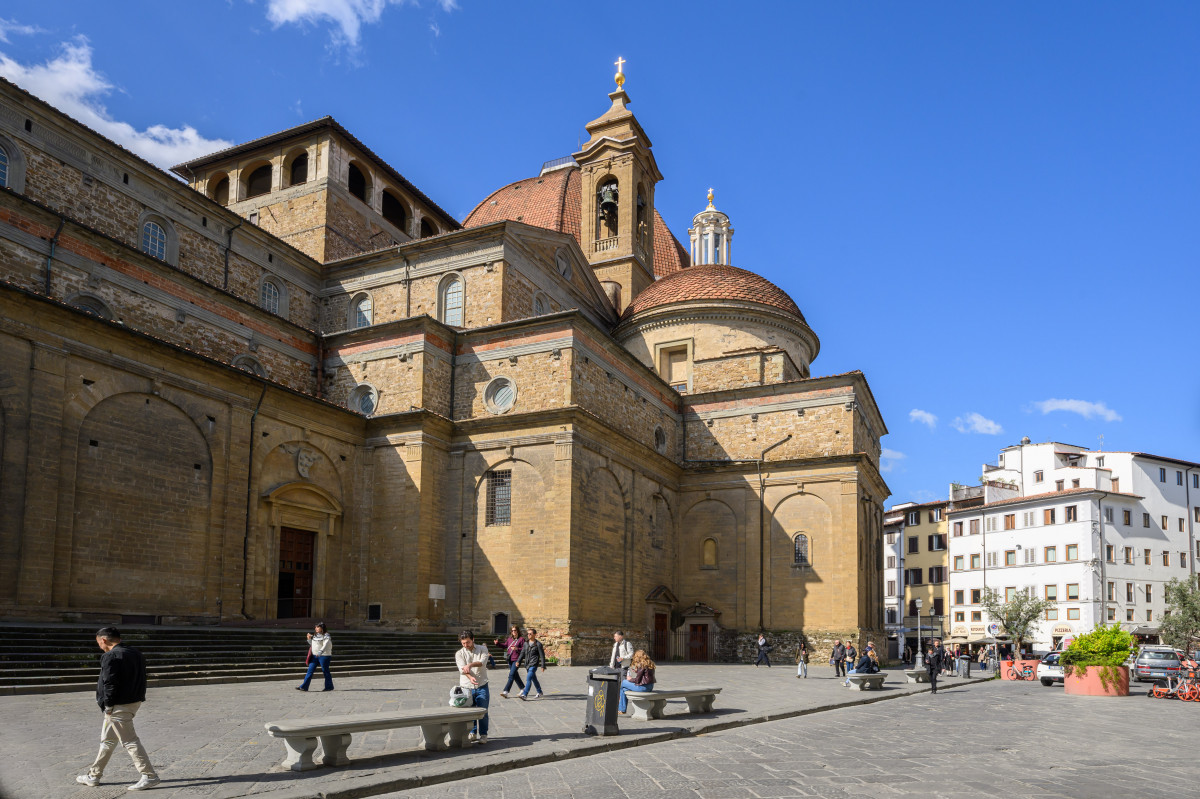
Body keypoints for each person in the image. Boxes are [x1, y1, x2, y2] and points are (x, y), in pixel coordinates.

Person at [75, 627, 160, 791]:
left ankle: (149, 775)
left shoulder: (110, 656)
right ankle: (94, 775)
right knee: (107, 740)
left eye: (99, 643)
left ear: (104, 640)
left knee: (129, 741)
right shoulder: (135, 652)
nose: (100, 646)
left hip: (117, 705)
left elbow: (109, 683)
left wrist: (108, 706)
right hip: (133, 701)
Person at [455, 631, 491, 743]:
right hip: (466, 686)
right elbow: (462, 669)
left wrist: (470, 665)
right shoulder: (459, 653)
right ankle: (472, 732)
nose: (466, 645)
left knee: (483, 711)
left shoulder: (482, 649)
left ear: (473, 639)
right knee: (470, 712)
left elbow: (482, 662)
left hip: (482, 684)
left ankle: (484, 734)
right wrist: (470, 677)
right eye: (463, 643)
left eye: (468, 642)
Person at [297, 622, 333, 691]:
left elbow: (325, 645)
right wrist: (309, 639)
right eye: (315, 627)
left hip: (324, 655)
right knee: (310, 670)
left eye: (317, 627)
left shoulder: (326, 635)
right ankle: (304, 686)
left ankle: (329, 686)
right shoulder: (315, 635)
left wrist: (320, 652)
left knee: (325, 671)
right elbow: (313, 645)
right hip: (314, 656)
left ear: (322, 628)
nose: (316, 628)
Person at [496, 625, 525, 698]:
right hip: (510, 660)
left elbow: (524, 650)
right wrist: (498, 643)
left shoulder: (521, 639)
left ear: (517, 631)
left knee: (511, 675)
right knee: (515, 675)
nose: (513, 632)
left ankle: (506, 691)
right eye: (512, 630)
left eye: (515, 630)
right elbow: (505, 646)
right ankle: (522, 688)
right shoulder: (509, 639)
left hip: (517, 660)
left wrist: (517, 649)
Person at [518, 628, 546, 700]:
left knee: (528, 679)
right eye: (528, 634)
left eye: (530, 634)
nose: (528, 635)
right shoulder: (526, 643)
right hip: (527, 664)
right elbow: (522, 653)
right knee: (534, 678)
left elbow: (542, 656)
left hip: (533, 664)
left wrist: (543, 665)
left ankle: (524, 694)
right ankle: (539, 692)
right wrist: (518, 661)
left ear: (534, 635)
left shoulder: (538, 644)